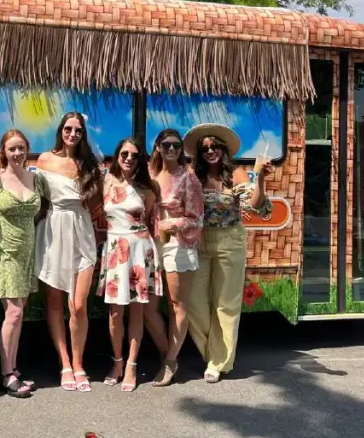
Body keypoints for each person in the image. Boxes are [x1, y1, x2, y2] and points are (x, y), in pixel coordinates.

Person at [185, 124, 272, 383]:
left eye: (215, 147)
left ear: (223, 150)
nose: (210, 151)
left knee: (226, 304)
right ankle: (212, 353)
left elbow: (255, 206)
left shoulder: (236, 174)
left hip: (230, 241)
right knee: (194, 304)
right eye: (205, 148)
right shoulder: (193, 175)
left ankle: (216, 362)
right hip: (199, 242)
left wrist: (260, 178)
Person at [35, 112, 102, 392]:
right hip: (53, 229)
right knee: (54, 301)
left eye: (78, 130)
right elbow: (37, 199)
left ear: (83, 134)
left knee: (77, 305)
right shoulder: (45, 160)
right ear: (61, 130)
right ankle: (65, 364)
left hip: (81, 229)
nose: (72, 134)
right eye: (68, 128)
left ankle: (79, 363)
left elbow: (97, 204)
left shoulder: (89, 163)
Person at [0, 129, 46, 398]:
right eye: (12, 149)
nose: (17, 153)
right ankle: (6, 374)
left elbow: (44, 208)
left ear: (27, 148)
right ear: (3, 151)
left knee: (20, 309)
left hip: (27, 252)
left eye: (21, 148)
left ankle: (12, 366)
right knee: (14, 313)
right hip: (3, 251)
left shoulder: (36, 179)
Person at [97, 138, 161, 392]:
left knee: (136, 311)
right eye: (124, 153)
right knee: (115, 313)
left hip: (138, 250)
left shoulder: (148, 188)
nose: (129, 158)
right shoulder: (107, 182)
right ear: (117, 155)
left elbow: (149, 220)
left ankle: (132, 365)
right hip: (115, 250)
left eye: (134, 155)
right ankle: (117, 362)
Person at [147, 129, 203, 387]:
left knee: (176, 305)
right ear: (157, 146)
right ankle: (167, 353)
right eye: (166, 145)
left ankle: (170, 360)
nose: (172, 149)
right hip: (150, 243)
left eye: (176, 145)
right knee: (148, 307)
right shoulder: (149, 175)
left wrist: (176, 224)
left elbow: (197, 218)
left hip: (178, 244)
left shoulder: (188, 179)